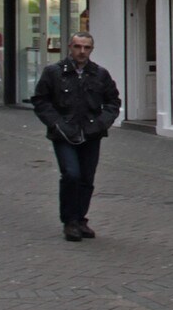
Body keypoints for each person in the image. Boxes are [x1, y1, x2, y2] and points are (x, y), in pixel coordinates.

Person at [31, 31, 120, 241]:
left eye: (86, 48)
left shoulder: (99, 74)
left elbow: (113, 102)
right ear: (70, 47)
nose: (82, 52)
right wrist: (56, 123)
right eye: (78, 47)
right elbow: (41, 101)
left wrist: (101, 123)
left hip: (90, 134)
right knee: (71, 174)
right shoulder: (54, 72)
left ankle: (81, 218)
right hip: (64, 133)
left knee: (87, 178)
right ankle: (69, 220)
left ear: (91, 50)